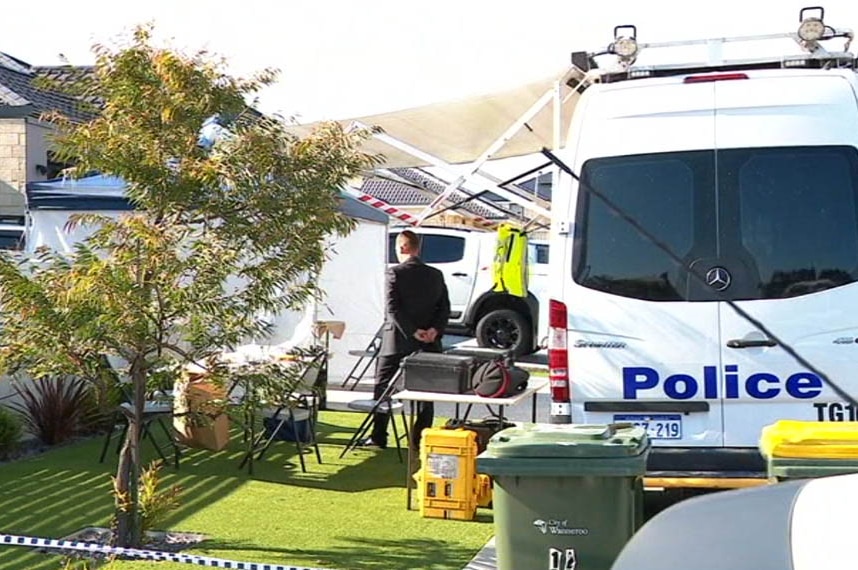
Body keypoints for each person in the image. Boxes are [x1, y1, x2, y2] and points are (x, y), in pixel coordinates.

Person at [362, 229, 450, 450]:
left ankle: (379, 436)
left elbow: (393, 308)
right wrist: (434, 330)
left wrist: (412, 331)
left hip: (397, 341)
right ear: (417, 248)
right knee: (425, 394)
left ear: (402, 247)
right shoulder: (435, 274)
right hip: (429, 342)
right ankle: (419, 440)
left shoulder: (395, 273)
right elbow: (444, 308)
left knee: (383, 386)